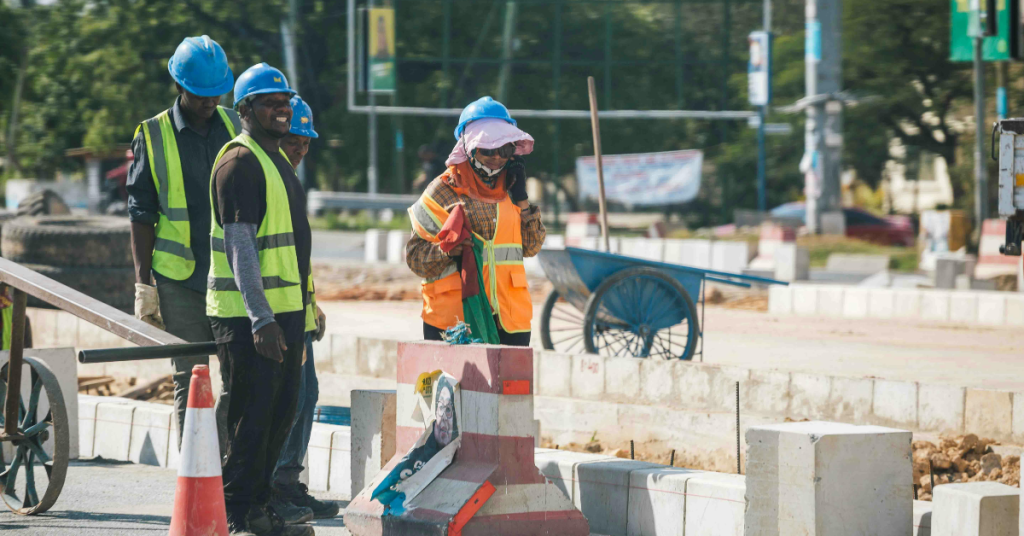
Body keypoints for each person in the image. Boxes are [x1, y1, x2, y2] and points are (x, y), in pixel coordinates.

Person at [208, 63, 313, 536]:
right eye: (270, 102)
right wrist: (260, 318)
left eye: (285, 101)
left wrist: (303, 317)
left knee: (280, 413)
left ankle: (260, 505)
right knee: (251, 419)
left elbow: (290, 252)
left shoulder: (276, 163)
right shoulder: (240, 163)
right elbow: (241, 247)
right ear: (246, 109)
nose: (282, 109)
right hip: (251, 318)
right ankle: (236, 513)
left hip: (286, 315)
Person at [127, 35, 238, 449]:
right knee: (192, 379)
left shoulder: (235, 125)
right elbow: (141, 214)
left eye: (216, 93)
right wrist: (144, 284)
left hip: (229, 275)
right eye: (201, 94)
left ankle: (225, 475)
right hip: (179, 279)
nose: (210, 101)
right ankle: (194, 479)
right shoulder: (152, 135)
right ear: (180, 86)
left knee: (238, 378)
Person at [405, 96, 545, 346]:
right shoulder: (441, 192)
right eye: (488, 149)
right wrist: (447, 251)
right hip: (454, 323)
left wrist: (522, 199)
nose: (497, 157)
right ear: (468, 147)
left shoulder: (513, 189)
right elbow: (415, 259)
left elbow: (532, 246)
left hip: (509, 321)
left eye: (504, 149)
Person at [269, 95, 341, 521]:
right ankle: (274, 485)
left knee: (306, 394)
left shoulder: (289, 180)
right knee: (285, 399)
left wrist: (312, 305)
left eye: (306, 142)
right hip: (272, 314)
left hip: (296, 311)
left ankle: (287, 483)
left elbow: (296, 259)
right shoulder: (267, 177)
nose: (300, 149)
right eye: (294, 140)